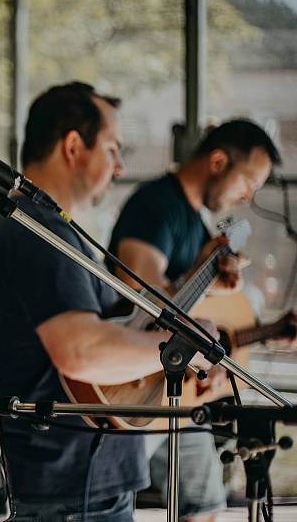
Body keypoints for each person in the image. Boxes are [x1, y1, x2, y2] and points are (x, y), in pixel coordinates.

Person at [0, 81, 216, 521]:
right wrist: (187, 347)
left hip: (79, 483)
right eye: (112, 149)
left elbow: (108, 326)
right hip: (66, 492)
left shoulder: (52, 228)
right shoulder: (38, 231)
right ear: (74, 146)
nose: (120, 166)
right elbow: (82, 351)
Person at [108, 119, 282, 521]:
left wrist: (212, 289)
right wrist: (199, 279)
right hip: (131, 388)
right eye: (249, 181)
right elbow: (142, 297)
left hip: (174, 389)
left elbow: (185, 305)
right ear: (219, 161)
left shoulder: (194, 221)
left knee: (204, 509)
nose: (249, 195)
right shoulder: (157, 206)